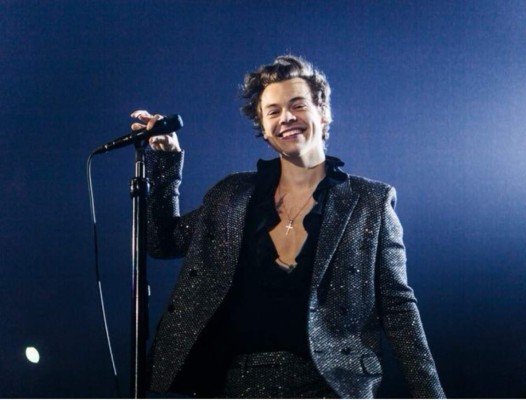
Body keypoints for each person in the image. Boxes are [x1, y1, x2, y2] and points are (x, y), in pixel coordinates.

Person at [131, 55, 445, 398]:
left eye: (298, 105)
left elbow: (398, 308)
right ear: (263, 129)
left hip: (328, 385)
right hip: (232, 385)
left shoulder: (372, 202)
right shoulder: (232, 195)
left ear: (323, 113)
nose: (287, 118)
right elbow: (162, 244)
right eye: (273, 111)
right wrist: (164, 164)